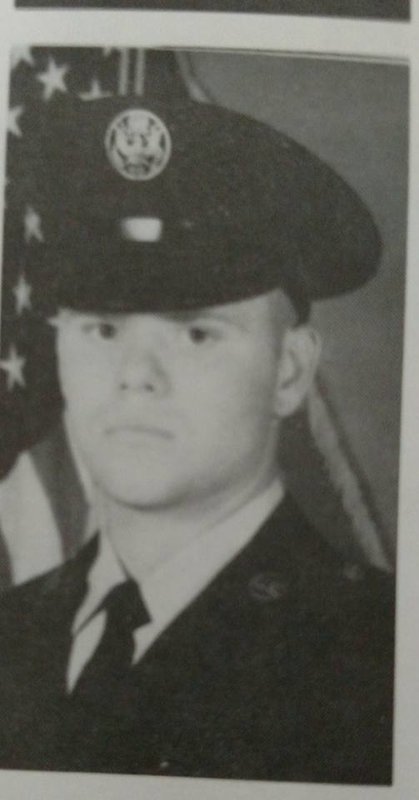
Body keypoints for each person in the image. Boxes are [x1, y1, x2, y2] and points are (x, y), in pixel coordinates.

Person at [0, 87, 394, 783]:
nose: (135, 377)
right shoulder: (12, 630)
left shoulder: (378, 653)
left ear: (289, 371)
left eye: (195, 334)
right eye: (102, 329)